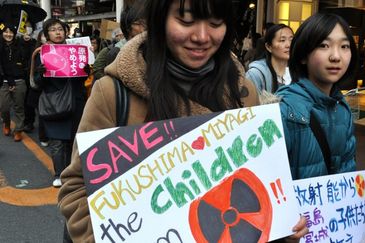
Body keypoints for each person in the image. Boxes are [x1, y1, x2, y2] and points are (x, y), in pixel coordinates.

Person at [58, 0, 307, 242]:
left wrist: (282, 226)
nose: (201, 36)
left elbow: (259, 189)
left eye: (215, 22)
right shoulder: (113, 93)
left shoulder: (244, 91)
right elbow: (77, 188)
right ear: (160, 19)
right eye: (186, 20)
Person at [277, 13, 359, 179]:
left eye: (344, 46)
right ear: (302, 56)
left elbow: (348, 173)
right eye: (323, 45)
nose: (336, 56)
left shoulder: (342, 109)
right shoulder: (284, 110)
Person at [32, 18, 88, 187]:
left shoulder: (77, 50)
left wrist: (85, 69)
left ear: (66, 31)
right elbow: (35, 84)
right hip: (54, 102)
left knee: (74, 139)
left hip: (76, 100)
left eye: (61, 29)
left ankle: (74, 173)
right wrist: (41, 73)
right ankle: (59, 174)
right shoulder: (41, 53)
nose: (58, 32)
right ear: (46, 33)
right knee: (57, 141)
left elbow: (82, 78)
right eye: (53, 29)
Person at [92, 5, 145, 81]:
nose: (144, 28)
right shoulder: (114, 51)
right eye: (139, 23)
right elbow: (97, 68)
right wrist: (104, 81)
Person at [0, 23, 33, 141]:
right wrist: (9, 80)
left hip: (19, 80)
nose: (8, 34)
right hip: (3, 81)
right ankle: (7, 123)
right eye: (6, 32)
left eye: (11, 32)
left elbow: (28, 56)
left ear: (14, 34)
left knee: (19, 107)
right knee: (3, 107)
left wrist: (27, 42)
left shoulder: (20, 44)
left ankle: (18, 130)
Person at [246, 24, 294, 93]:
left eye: (291, 40)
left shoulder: (297, 73)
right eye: (282, 40)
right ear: (269, 47)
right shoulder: (256, 74)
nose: (289, 45)